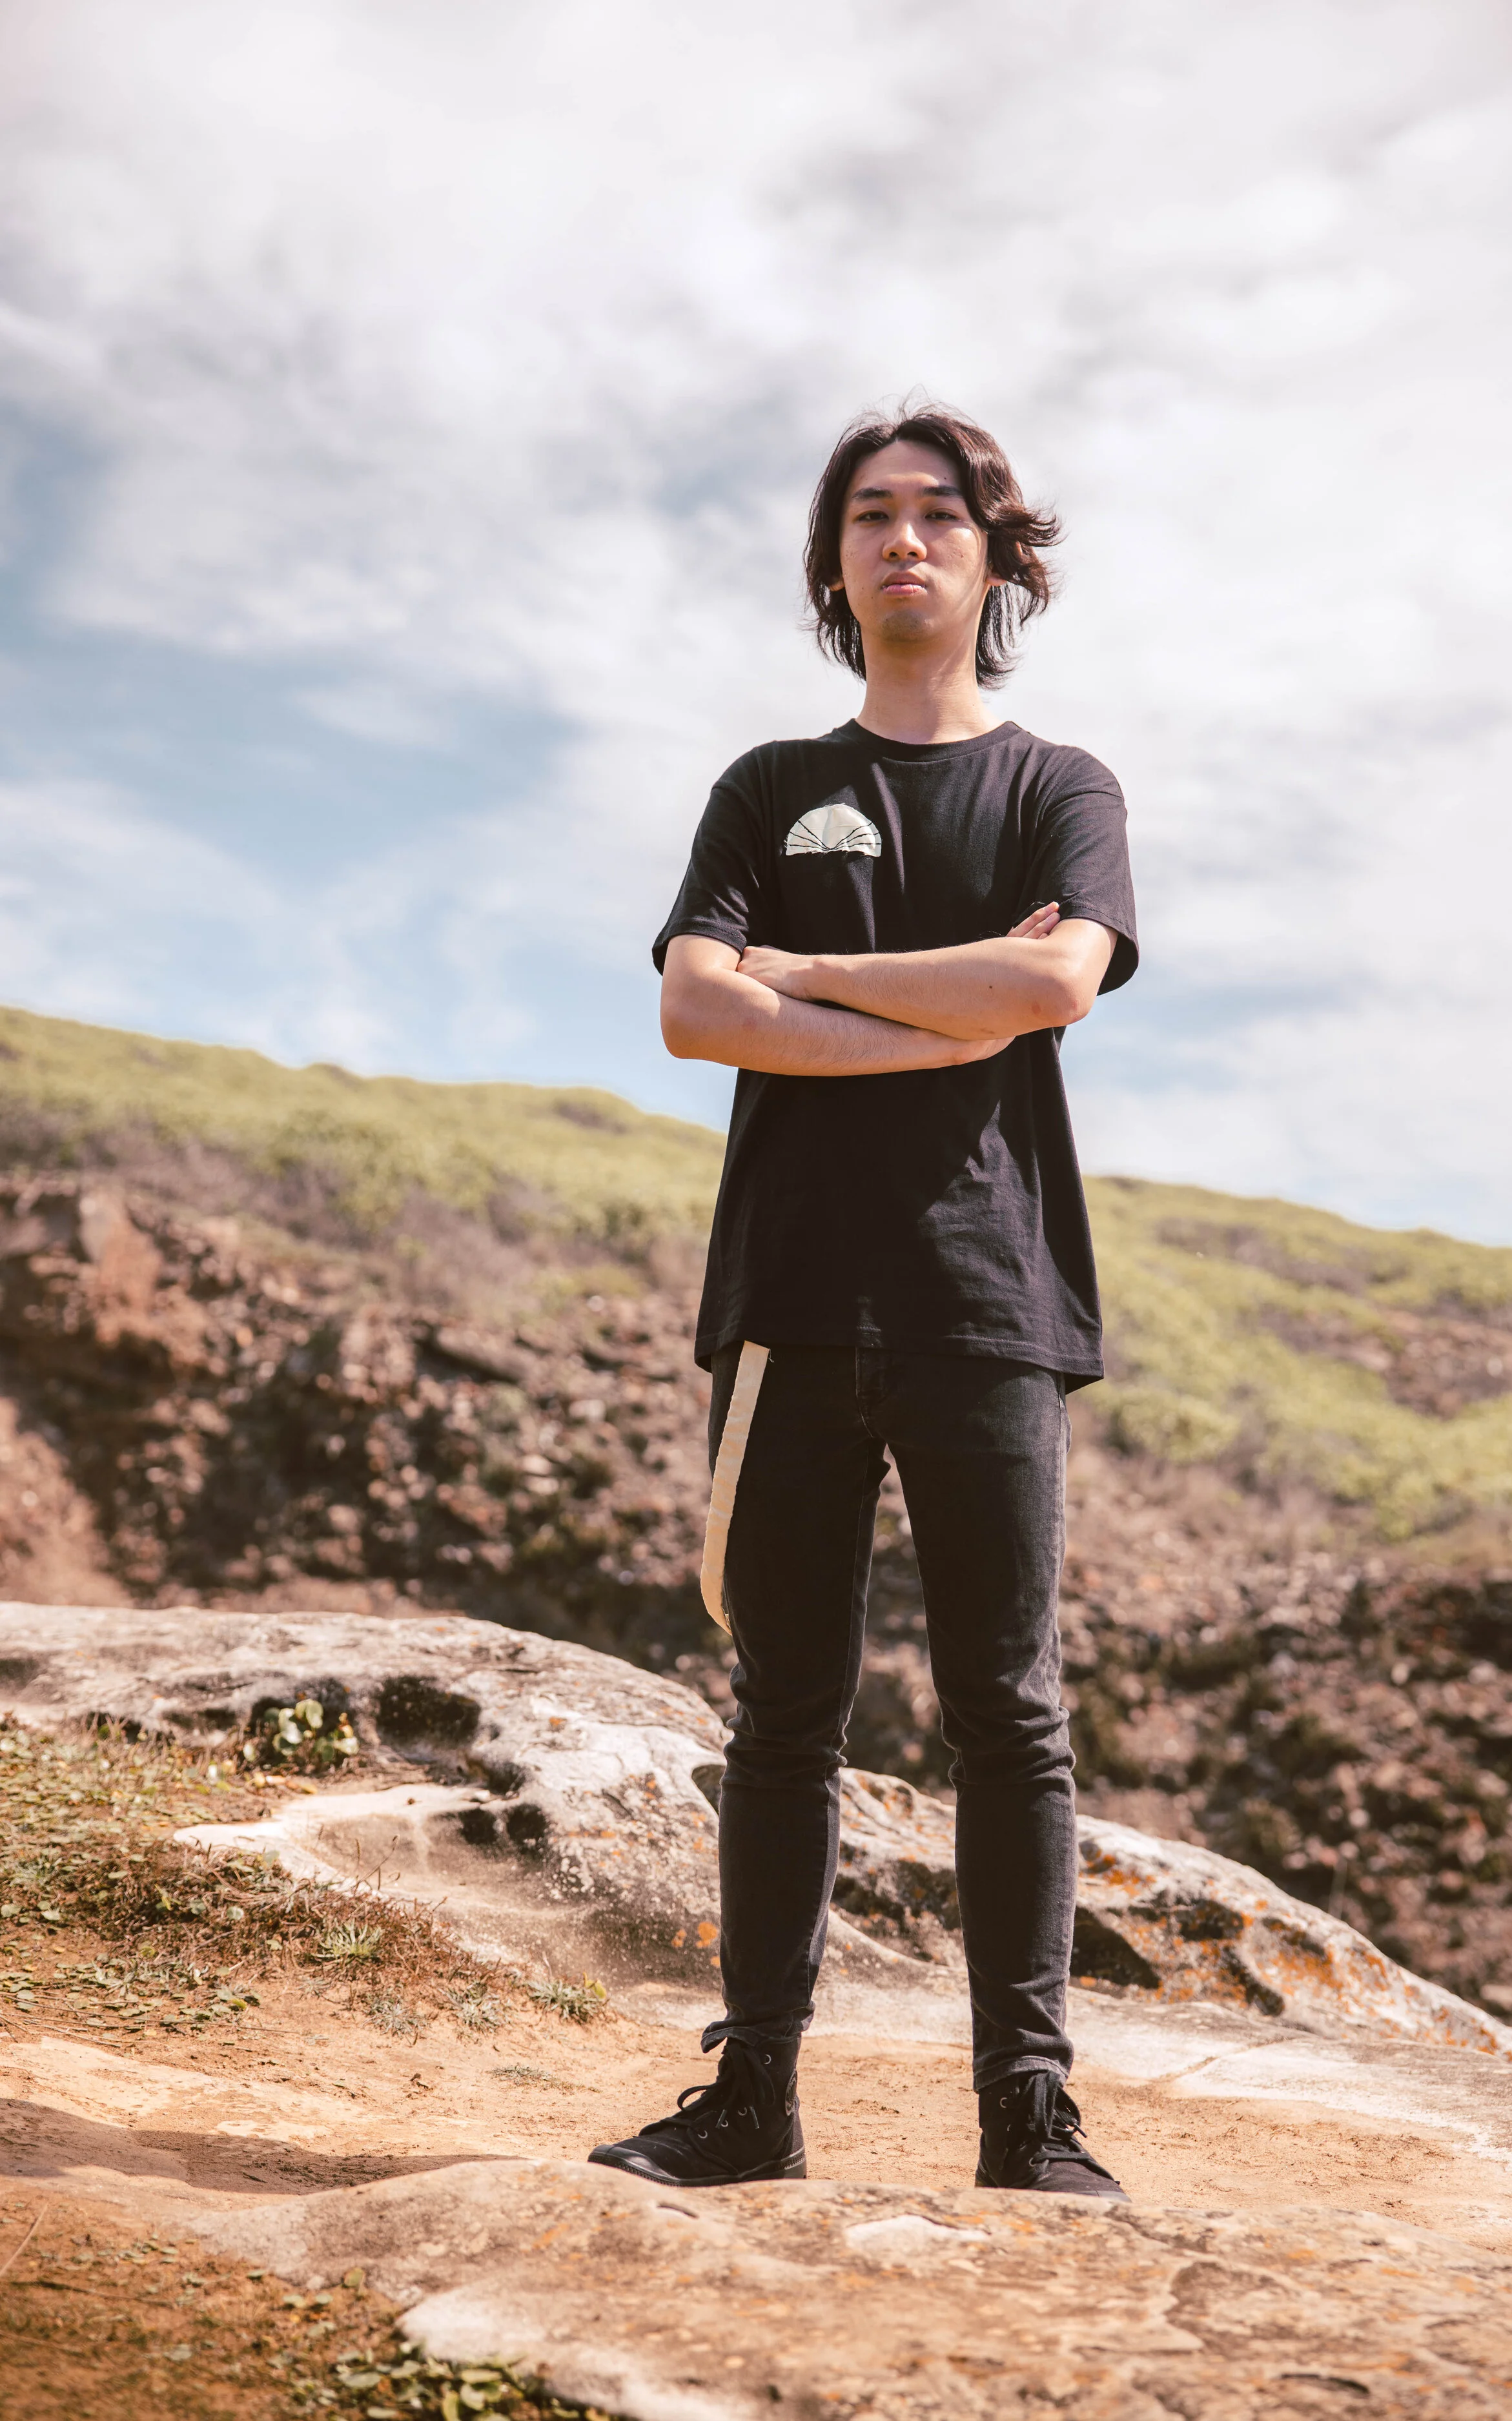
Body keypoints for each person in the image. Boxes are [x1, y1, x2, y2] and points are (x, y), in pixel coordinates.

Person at [589, 405, 1138, 2197]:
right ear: (837, 563)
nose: (905, 539)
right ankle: (750, 2100)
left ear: (995, 556)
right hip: (794, 1303)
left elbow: (1054, 977)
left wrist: (804, 974)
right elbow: (691, 1009)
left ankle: (1025, 2110)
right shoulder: (763, 785)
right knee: (782, 1708)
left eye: (940, 514)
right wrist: (934, 1001)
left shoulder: (1060, 786)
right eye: (870, 515)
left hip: (988, 1297)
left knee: (1010, 1709)